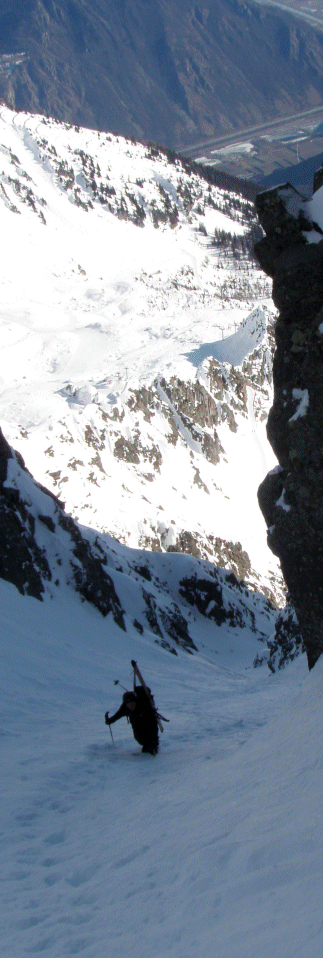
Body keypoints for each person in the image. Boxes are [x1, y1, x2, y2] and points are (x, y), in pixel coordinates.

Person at [105, 687, 159, 755]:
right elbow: (117, 715)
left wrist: (154, 742)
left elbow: (153, 725)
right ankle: (147, 745)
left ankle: (151, 746)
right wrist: (109, 721)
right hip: (135, 721)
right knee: (139, 737)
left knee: (149, 733)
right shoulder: (125, 708)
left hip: (147, 719)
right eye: (129, 704)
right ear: (125, 704)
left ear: (136, 701)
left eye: (132, 703)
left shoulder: (144, 706)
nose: (131, 706)